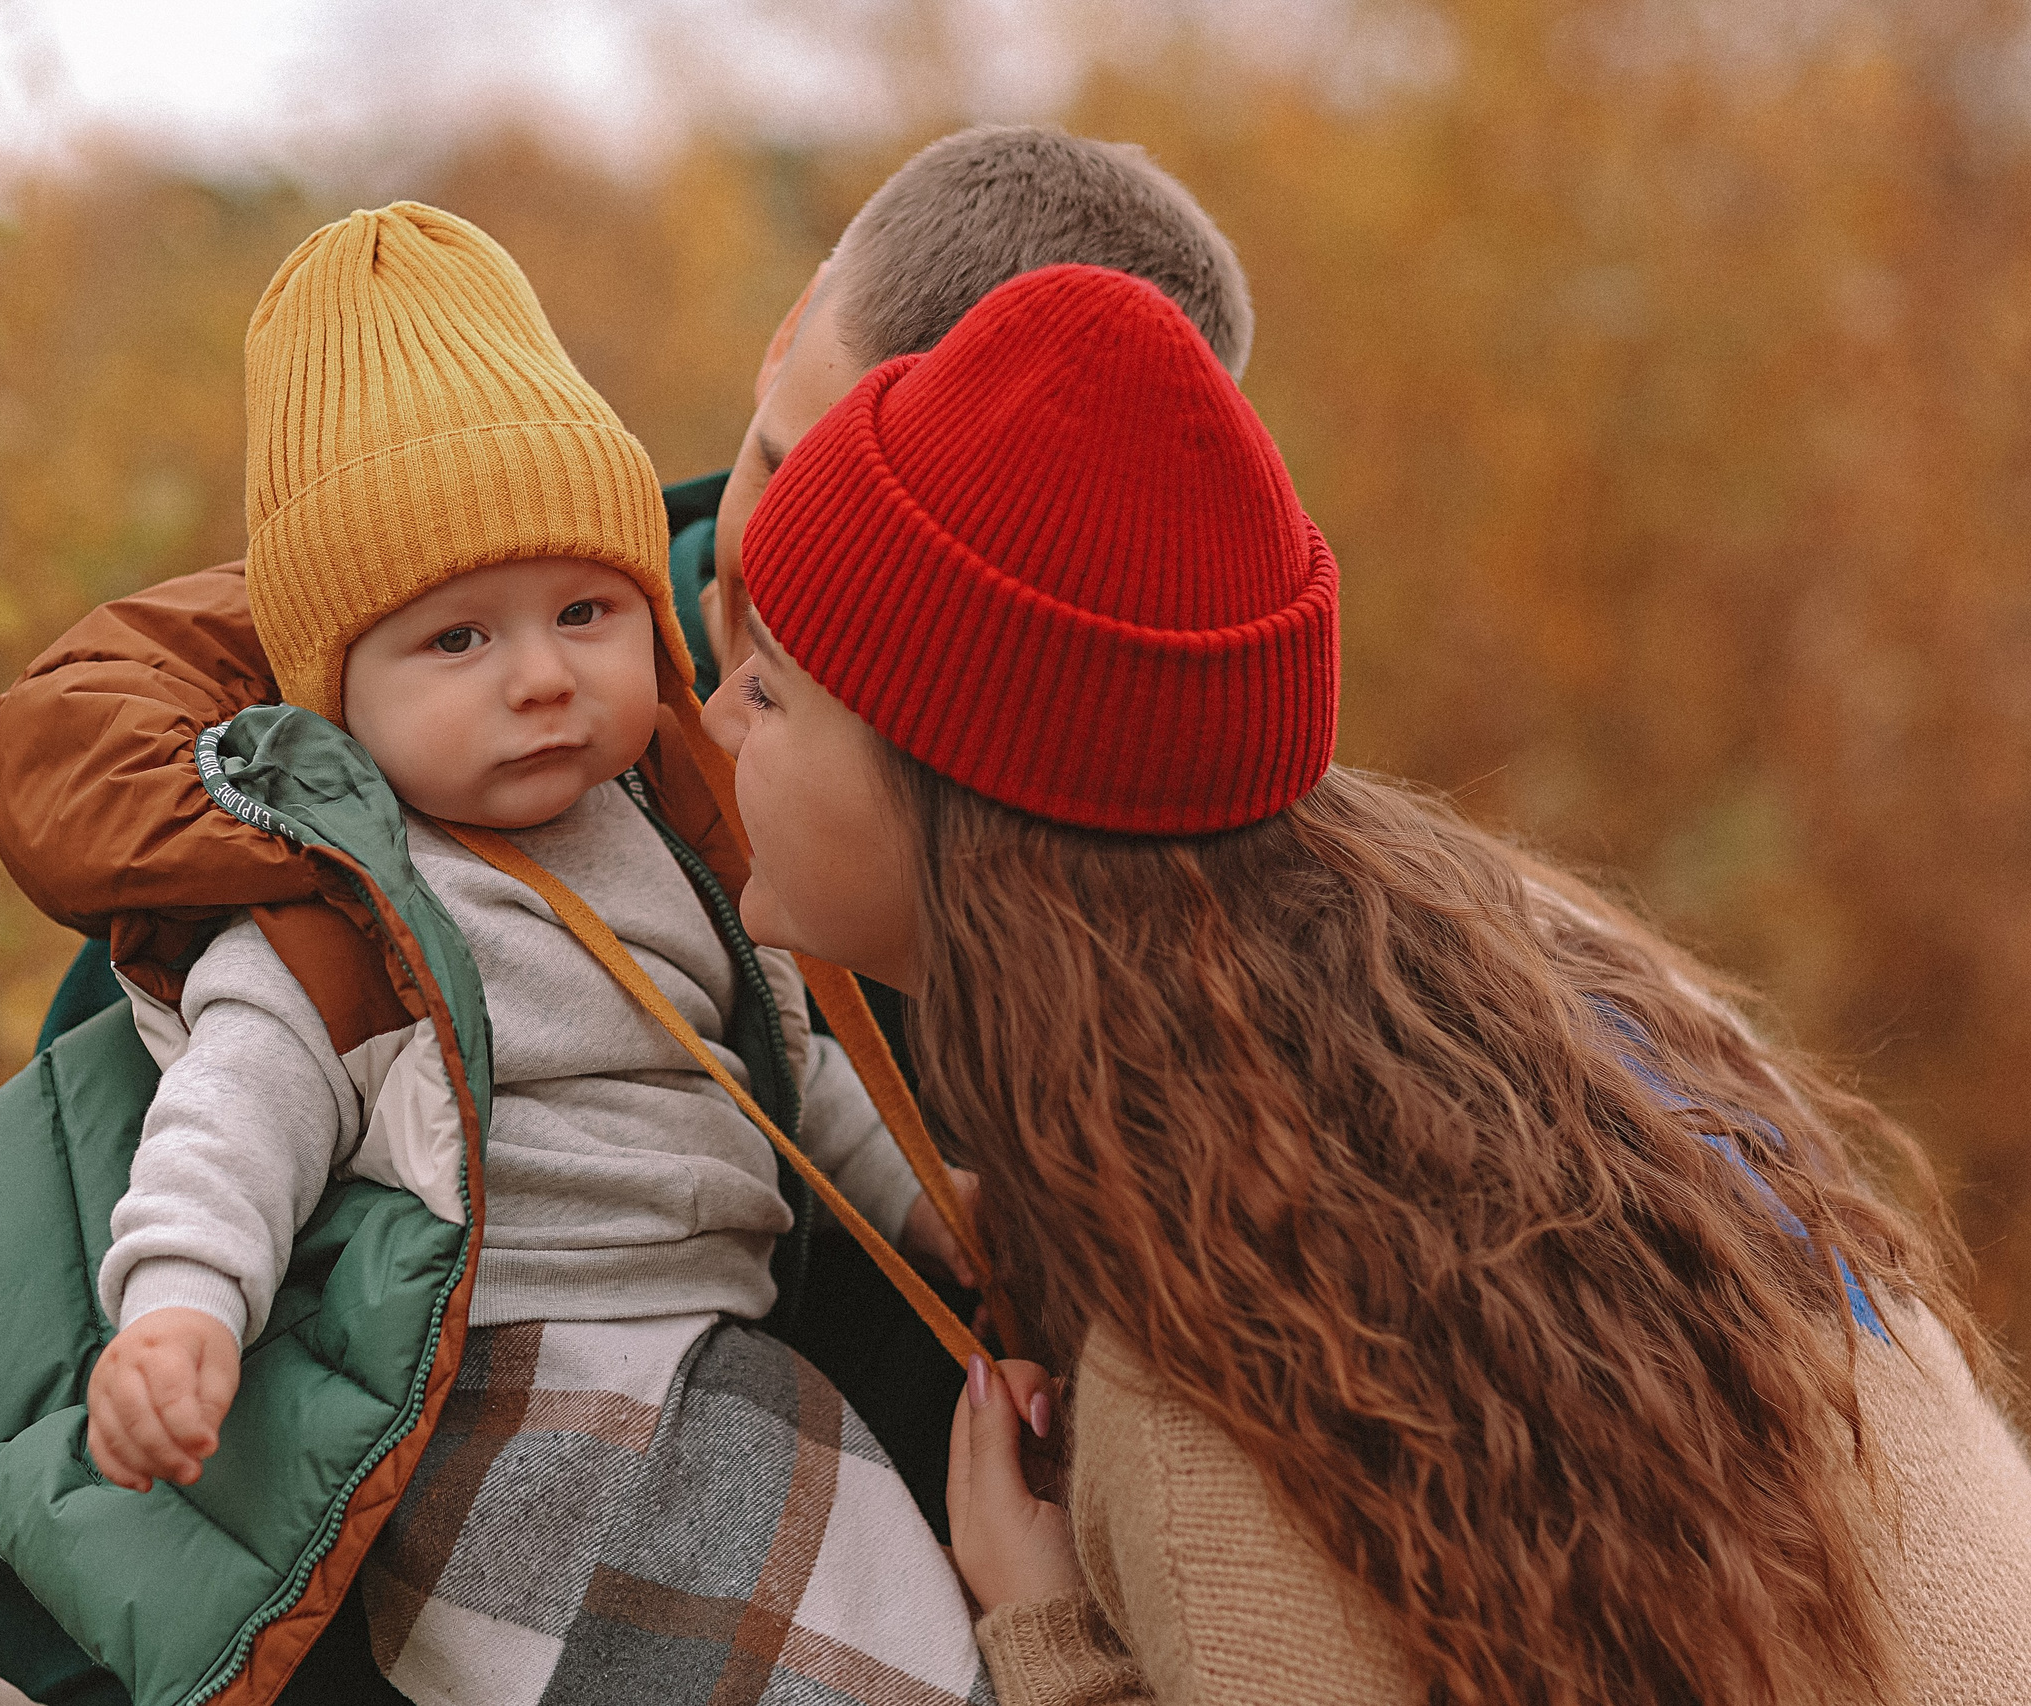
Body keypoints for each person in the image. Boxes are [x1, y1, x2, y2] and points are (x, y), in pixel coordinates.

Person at [0, 123, 1262, 1705]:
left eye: (904, 563)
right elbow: (7, 1451)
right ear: (793, 318)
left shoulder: (1126, 897)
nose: (795, 582)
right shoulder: (356, 808)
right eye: (800, 473)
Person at [705, 258, 2031, 1705]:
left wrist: (1052, 1637)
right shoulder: (1522, 963)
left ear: (946, 790)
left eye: (768, 689)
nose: (712, 717)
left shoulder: (1210, 1372)